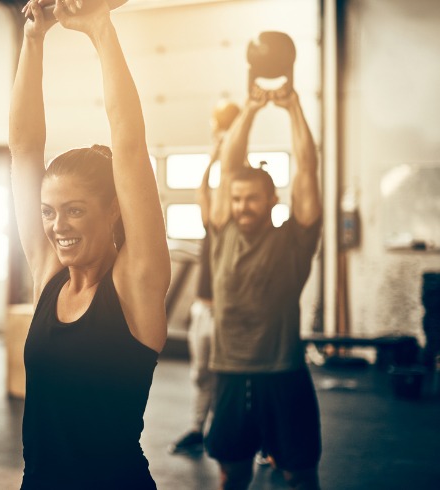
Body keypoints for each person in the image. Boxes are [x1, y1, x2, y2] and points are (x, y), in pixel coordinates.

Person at [9, 0, 170, 488]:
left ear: (113, 209)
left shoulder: (136, 284)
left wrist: (101, 29)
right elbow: (23, 149)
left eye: (75, 210)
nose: (58, 227)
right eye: (49, 212)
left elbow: (130, 143)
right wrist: (34, 40)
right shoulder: (49, 275)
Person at [205, 85, 323, 490]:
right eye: (236, 199)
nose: (241, 207)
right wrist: (251, 109)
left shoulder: (294, 239)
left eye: (252, 199)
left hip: (283, 372)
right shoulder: (223, 232)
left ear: (272, 200)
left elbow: (307, 169)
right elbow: (231, 162)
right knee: (232, 474)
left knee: (299, 475)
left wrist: (293, 108)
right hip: (230, 372)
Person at [169, 100, 239, 456]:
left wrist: (229, 150)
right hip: (202, 310)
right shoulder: (210, 225)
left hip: (230, 313)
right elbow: (203, 191)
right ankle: (198, 429)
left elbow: (228, 184)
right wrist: (214, 153)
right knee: (200, 375)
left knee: (237, 379)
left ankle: (254, 439)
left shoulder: (236, 227)